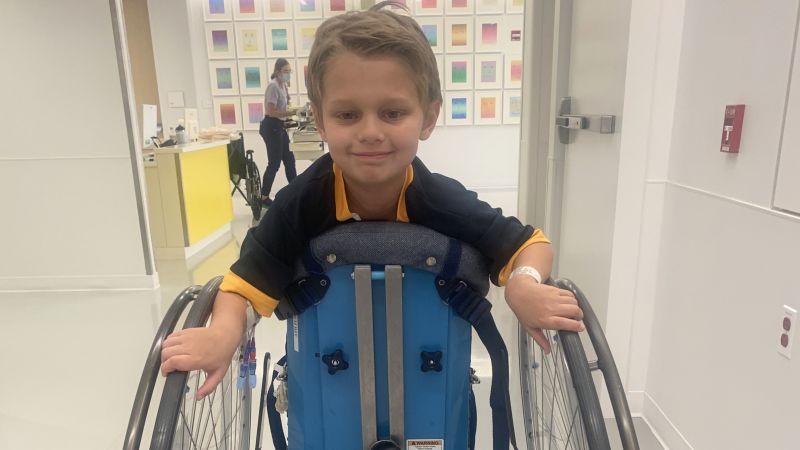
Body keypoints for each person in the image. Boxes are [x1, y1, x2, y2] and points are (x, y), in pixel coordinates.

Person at [161, 2, 584, 399]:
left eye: (392, 113)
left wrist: (523, 286)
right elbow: (243, 284)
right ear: (321, 119)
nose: (369, 132)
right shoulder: (299, 203)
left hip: (422, 373)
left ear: (429, 118)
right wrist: (222, 334)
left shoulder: (439, 199)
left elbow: (530, 243)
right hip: (333, 376)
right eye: (347, 115)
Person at [259, 58, 299, 207]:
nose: (288, 74)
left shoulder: (283, 86)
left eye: (290, 71)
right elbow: (271, 111)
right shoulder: (273, 86)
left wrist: (289, 109)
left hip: (280, 125)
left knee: (289, 160)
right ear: (277, 71)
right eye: (286, 71)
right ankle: (263, 197)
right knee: (274, 163)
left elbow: (284, 106)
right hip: (271, 126)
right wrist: (290, 113)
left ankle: (296, 193)